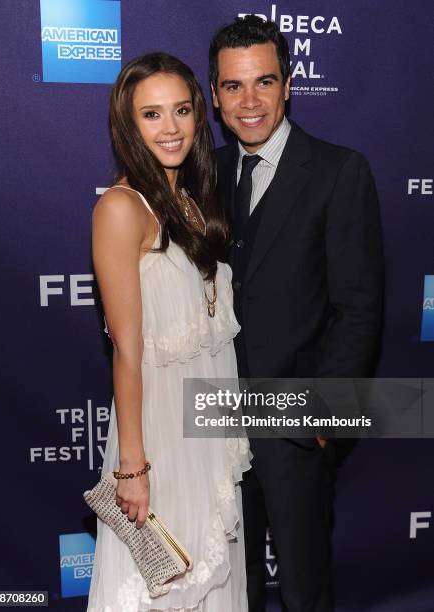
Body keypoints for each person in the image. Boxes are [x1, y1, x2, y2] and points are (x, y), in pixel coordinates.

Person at [209, 15, 384, 612]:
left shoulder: (339, 171)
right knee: (235, 587)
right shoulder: (202, 174)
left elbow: (359, 307)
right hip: (213, 422)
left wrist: (323, 419)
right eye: (234, 86)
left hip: (295, 426)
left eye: (265, 81)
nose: (250, 101)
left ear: (289, 85)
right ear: (214, 95)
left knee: (305, 590)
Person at [87, 52, 251, 612]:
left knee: (209, 571)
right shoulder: (120, 208)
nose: (171, 127)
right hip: (159, 439)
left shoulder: (192, 202)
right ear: (128, 126)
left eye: (181, 110)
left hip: (205, 428)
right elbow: (127, 351)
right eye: (151, 115)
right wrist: (132, 466)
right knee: (166, 585)